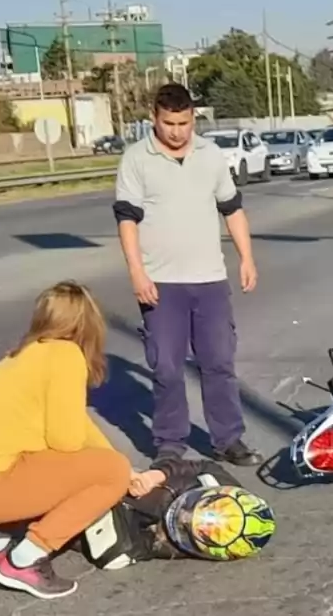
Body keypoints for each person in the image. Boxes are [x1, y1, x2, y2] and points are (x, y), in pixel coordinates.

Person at [0, 281, 158, 600]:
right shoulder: (66, 355)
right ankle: (25, 560)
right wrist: (121, 473)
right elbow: (68, 440)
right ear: (88, 322)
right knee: (107, 471)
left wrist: (129, 472)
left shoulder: (26, 352)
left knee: (39, 461)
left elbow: (78, 425)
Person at [112, 83, 263, 467]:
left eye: (184, 122)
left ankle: (228, 439)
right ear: (154, 119)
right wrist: (137, 273)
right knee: (166, 366)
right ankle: (169, 444)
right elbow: (127, 220)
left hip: (209, 280)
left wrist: (246, 257)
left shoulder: (211, 156)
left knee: (218, 363)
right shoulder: (136, 159)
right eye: (168, 123)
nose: (177, 131)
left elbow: (232, 209)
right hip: (161, 283)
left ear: (194, 118)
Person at [80, 456, 276, 568]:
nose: (183, 515)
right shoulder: (224, 487)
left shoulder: (165, 545)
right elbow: (203, 466)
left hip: (102, 508)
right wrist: (156, 475)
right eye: (194, 507)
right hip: (129, 478)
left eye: (187, 526)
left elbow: (118, 549)